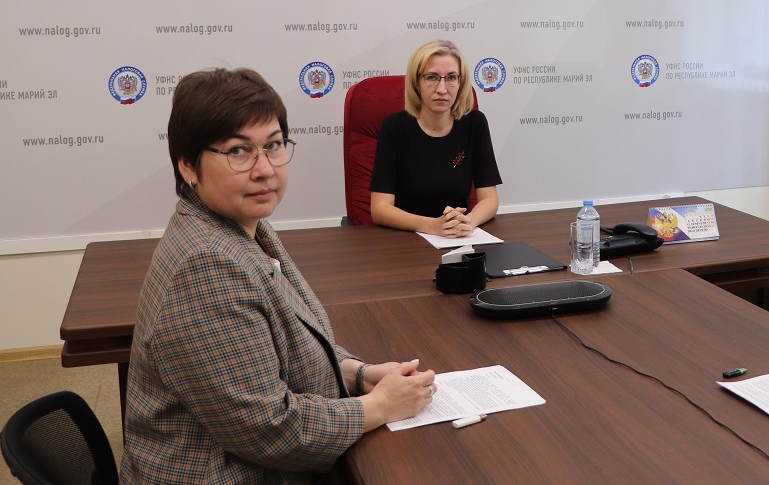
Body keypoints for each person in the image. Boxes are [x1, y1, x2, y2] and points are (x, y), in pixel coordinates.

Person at [121, 68, 436, 485]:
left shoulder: (245, 226)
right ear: (188, 165)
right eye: (238, 151)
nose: (265, 169)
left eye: (273, 145)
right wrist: (378, 406)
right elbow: (270, 429)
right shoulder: (206, 266)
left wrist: (359, 374)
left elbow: (286, 346)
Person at [370, 39, 502, 238]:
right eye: (432, 77)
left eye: (451, 78)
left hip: (459, 239)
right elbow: (380, 209)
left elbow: (489, 199)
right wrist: (433, 226)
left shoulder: (475, 123)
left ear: (461, 82)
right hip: (406, 240)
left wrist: (468, 222)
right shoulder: (394, 128)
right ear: (417, 82)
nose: (442, 89)